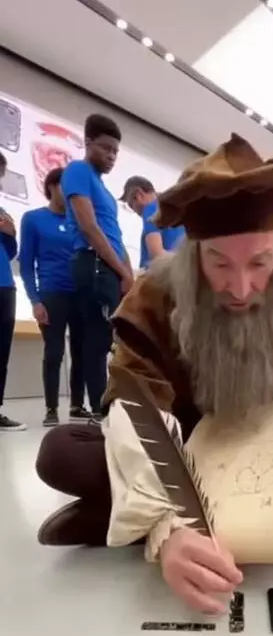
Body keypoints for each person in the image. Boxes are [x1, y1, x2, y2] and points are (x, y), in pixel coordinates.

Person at [36, 134, 273, 613]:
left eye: (260, 263)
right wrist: (168, 526)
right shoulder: (155, 297)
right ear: (193, 254)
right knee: (59, 454)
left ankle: (111, 517)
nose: (240, 287)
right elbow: (137, 408)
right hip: (187, 452)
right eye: (219, 264)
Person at [61, 114, 135, 417]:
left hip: (110, 268)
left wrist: (129, 273)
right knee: (97, 340)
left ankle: (109, 404)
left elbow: (115, 235)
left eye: (116, 151)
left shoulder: (104, 190)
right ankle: (100, 410)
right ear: (88, 142)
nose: (111, 156)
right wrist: (120, 271)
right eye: (105, 148)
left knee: (110, 340)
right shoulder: (78, 171)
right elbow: (90, 228)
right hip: (93, 265)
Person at [19, 167, 90, 427]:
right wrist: (35, 301)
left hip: (81, 294)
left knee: (81, 352)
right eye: (64, 185)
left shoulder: (80, 221)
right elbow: (26, 264)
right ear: (51, 186)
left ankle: (77, 406)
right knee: (54, 352)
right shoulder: (33, 219)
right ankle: (51, 408)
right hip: (52, 293)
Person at [0, 151, 26, 431]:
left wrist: (11, 234)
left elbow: (9, 253)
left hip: (5, 284)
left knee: (1, 351)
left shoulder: (3, 213)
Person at [119, 175, 185, 268]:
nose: (135, 211)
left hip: (158, 276)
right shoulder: (175, 209)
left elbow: (156, 254)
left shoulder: (150, 209)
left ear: (139, 195)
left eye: (131, 205)